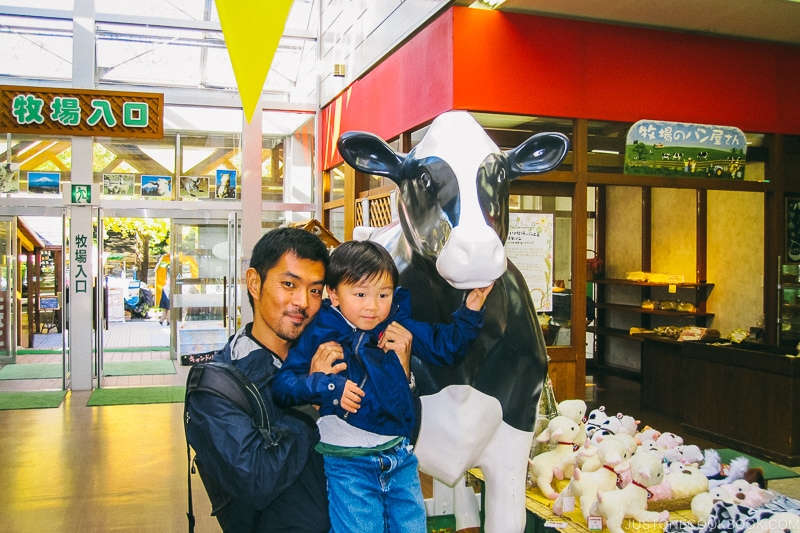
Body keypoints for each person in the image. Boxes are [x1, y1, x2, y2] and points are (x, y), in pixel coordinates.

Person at [273, 240, 494, 533]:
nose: (372, 306)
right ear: (334, 294)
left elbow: (447, 348)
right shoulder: (319, 332)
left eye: (383, 294)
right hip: (348, 463)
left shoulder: (393, 325)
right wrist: (328, 387)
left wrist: (471, 310)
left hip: (400, 456)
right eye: (360, 294)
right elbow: (284, 386)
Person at [185, 227, 345, 532]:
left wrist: (400, 374)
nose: (304, 303)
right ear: (254, 283)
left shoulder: (331, 352)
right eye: (289, 284)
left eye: (315, 290)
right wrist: (308, 402)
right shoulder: (218, 387)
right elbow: (256, 480)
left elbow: (398, 431)